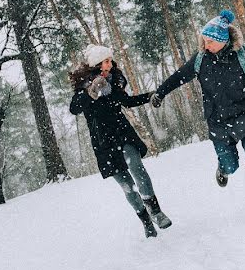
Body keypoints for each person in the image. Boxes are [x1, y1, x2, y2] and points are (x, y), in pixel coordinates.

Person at [150, 10, 245, 221]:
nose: (205, 46)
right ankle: (223, 167)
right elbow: (179, 77)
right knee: (232, 166)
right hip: (218, 123)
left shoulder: (242, 57)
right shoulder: (200, 60)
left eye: (210, 42)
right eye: (204, 41)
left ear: (223, 40)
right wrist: (160, 92)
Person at [69, 44, 172, 238]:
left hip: (122, 132)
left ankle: (156, 211)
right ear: (97, 64)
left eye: (110, 60)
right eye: (106, 60)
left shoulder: (115, 80)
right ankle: (146, 222)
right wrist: (91, 91)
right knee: (127, 186)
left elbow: (127, 101)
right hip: (103, 142)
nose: (111, 63)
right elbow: (74, 108)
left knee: (137, 167)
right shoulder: (83, 86)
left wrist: (150, 97)